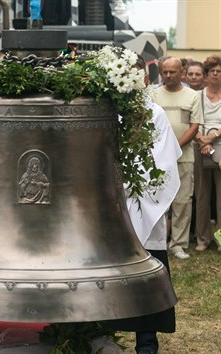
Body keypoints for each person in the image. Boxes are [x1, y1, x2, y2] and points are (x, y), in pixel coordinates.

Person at [109, 56, 181, 354]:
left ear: (145, 79)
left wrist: (131, 185)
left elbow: (163, 162)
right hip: (110, 204)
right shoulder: (106, 112)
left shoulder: (155, 114)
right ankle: (98, 332)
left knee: (147, 270)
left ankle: (146, 339)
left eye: (135, 75)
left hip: (142, 203)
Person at [152, 56, 203, 259]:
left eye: (173, 72)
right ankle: (158, 242)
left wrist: (175, 147)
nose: (168, 75)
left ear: (182, 73)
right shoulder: (153, 95)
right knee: (159, 200)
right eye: (165, 72)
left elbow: (195, 125)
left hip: (184, 156)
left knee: (182, 201)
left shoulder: (192, 96)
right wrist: (164, 149)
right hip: (157, 157)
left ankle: (178, 244)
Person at [193, 55, 221, 252]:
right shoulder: (198, 96)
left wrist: (213, 137)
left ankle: (220, 239)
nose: (216, 75)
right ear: (207, 75)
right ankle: (202, 238)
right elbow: (193, 120)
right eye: (213, 71)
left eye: (220, 72)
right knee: (202, 194)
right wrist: (202, 139)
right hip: (200, 145)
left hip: (220, 145)